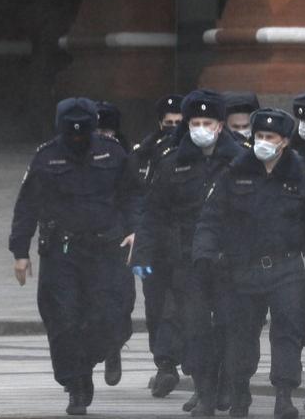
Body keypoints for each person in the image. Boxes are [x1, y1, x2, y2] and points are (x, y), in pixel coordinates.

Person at [195, 108, 305, 419]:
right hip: (242, 267)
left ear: (284, 141)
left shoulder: (299, 176)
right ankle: (239, 392)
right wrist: (204, 254)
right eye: (259, 136)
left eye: (269, 137)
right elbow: (211, 218)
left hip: (286, 268)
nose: (262, 142)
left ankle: (284, 395)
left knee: (288, 331)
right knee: (240, 334)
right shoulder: (234, 173)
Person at [9, 98, 142, 416]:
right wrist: (20, 252)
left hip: (107, 249)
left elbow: (133, 195)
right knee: (63, 320)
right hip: (62, 252)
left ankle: (89, 360)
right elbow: (27, 205)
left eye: (84, 132)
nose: (78, 138)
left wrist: (136, 230)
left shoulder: (113, 153)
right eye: (72, 133)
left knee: (113, 316)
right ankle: (77, 382)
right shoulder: (46, 157)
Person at [134, 89, 244, 416]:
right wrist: (142, 256)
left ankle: (224, 383)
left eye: (207, 123)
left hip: (228, 261)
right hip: (187, 261)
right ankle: (204, 391)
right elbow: (152, 213)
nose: (200, 129)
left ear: (220, 125)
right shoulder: (173, 162)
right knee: (194, 329)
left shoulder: (241, 161)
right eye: (195, 123)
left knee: (228, 325)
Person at [131, 94, 186, 396]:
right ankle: (163, 361)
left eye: (179, 122)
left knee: (175, 307)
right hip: (154, 246)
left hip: (184, 246)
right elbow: (142, 206)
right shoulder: (145, 152)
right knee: (154, 307)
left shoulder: (191, 154)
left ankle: (168, 364)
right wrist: (140, 252)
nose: (173, 128)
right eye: (169, 123)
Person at [95, 101, 133, 387]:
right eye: (97, 131)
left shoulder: (125, 156)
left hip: (118, 239)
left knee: (121, 300)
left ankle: (114, 346)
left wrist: (134, 230)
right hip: (84, 240)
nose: (102, 137)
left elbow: (136, 197)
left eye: (107, 131)